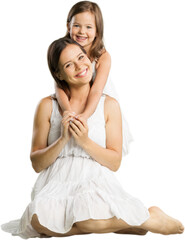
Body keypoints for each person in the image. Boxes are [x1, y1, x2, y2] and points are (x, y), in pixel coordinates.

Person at [1, 37, 184, 238]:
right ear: (58, 73)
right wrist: (62, 140)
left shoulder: (109, 105)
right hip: (55, 183)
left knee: (87, 219)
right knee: (37, 221)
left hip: (93, 180)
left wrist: (85, 142)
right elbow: (36, 163)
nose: (80, 66)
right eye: (69, 64)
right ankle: (139, 221)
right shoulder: (47, 105)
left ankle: (148, 218)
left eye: (81, 57)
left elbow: (114, 163)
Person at [55, 1, 133, 155]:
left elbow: (97, 90)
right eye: (77, 25)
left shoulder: (102, 56)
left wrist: (85, 115)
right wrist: (68, 112)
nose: (81, 31)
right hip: (73, 100)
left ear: (97, 31)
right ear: (68, 26)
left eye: (89, 27)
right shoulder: (63, 51)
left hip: (95, 102)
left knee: (96, 141)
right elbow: (59, 87)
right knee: (70, 144)